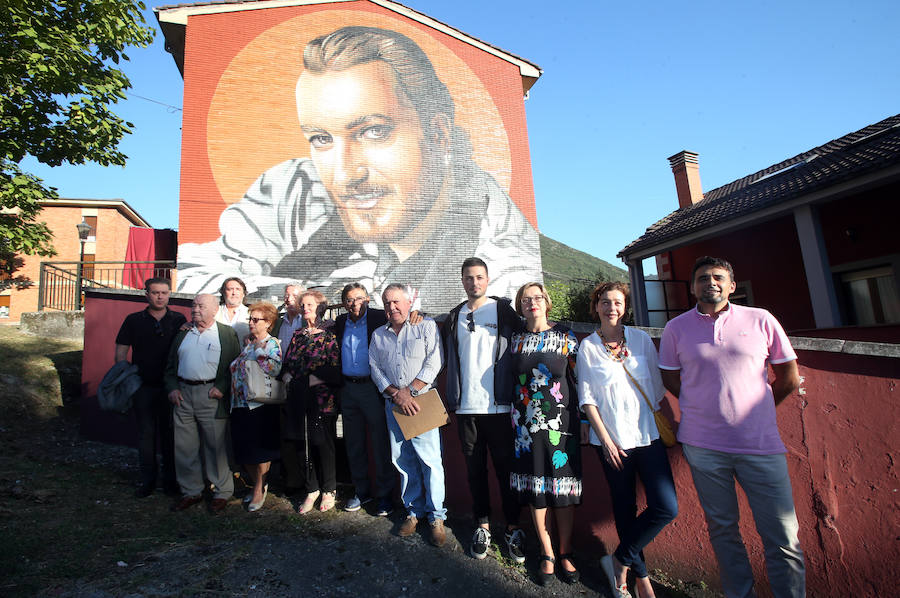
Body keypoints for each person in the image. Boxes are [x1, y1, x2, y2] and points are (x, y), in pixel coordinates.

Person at [175, 26, 541, 312]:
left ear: (439, 134)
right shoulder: (298, 188)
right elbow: (201, 280)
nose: (346, 174)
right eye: (321, 138)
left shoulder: (499, 251)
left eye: (374, 132)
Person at [659, 256, 804, 598]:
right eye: (703, 278)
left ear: (732, 285)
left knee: (783, 536)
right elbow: (670, 377)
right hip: (703, 447)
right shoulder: (676, 328)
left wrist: (758, 411)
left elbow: (788, 378)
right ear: (693, 287)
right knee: (723, 531)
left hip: (760, 445)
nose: (711, 282)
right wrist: (702, 406)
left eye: (718, 277)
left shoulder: (761, 320)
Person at [577, 282, 677, 598]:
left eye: (617, 302)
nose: (611, 308)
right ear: (596, 307)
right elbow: (588, 399)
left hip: (647, 436)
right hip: (611, 441)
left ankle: (619, 560)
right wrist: (605, 441)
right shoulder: (588, 348)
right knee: (624, 508)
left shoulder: (643, 340)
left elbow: (658, 390)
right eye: (605, 302)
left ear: (625, 307)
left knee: (666, 507)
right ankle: (639, 577)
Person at [442, 258, 525, 562]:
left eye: (479, 277)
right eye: (468, 278)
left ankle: (514, 528)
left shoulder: (502, 310)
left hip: (500, 407)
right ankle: (484, 526)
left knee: (506, 473)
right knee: (475, 473)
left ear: (487, 280)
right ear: (462, 281)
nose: (474, 283)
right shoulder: (453, 317)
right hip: (466, 409)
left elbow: (528, 333)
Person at [509, 282, 582, 585]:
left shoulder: (566, 337)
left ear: (547, 302)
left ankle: (566, 553)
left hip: (561, 429)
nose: (532, 303)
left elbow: (581, 379)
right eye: (526, 299)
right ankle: (547, 552)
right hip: (525, 429)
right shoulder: (514, 340)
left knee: (561, 492)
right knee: (537, 491)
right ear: (520, 306)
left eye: (537, 297)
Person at [369, 284, 445, 546]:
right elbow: (375, 368)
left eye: (397, 302)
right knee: (403, 460)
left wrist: (409, 391)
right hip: (394, 406)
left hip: (422, 403)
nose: (392, 307)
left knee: (430, 461)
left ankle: (436, 517)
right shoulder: (378, 335)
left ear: (409, 302)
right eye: (387, 303)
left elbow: (435, 361)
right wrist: (396, 394)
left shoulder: (425, 326)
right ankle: (414, 511)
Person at [164, 293, 241, 513]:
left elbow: (234, 365)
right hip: (183, 394)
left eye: (201, 306)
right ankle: (191, 491)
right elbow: (170, 365)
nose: (195, 309)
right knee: (184, 446)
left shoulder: (225, 334)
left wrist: (222, 387)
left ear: (215, 309)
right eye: (194, 305)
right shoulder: (183, 332)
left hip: (211, 395)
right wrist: (172, 388)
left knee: (215, 445)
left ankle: (222, 492)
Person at [114, 277, 187, 497]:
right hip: (143, 386)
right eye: (155, 293)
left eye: (164, 293)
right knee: (146, 435)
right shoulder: (133, 320)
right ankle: (147, 481)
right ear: (147, 294)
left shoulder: (178, 320)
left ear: (169, 294)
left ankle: (170, 481)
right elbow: (121, 351)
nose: (160, 296)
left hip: (169, 387)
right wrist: (126, 378)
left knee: (170, 435)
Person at [334, 283, 395, 517]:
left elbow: (404, 317)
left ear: (368, 299)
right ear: (343, 303)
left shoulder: (379, 317)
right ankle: (361, 490)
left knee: (380, 444)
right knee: (354, 443)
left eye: (359, 298)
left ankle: (384, 495)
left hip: (372, 388)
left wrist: (418, 315)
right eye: (349, 299)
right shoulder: (340, 323)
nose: (354, 303)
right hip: (348, 388)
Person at [281, 290, 342, 514]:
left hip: (321, 399)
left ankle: (329, 488)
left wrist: (309, 382)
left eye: (309, 304)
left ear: (320, 307)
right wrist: (287, 376)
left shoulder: (330, 334)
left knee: (321, 442)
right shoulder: (298, 335)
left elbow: (334, 368)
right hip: (298, 399)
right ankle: (312, 488)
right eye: (303, 305)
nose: (305, 308)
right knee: (301, 442)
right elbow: (287, 363)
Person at [229, 301, 282, 512]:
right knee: (244, 448)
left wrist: (260, 352)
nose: (251, 323)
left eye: (255, 319)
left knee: (260, 450)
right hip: (240, 403)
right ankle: (256, 483)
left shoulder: (271, 344)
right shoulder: (249, 344)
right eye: (250, 319)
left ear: (268, 323)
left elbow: (275, 369)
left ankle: (259, 488)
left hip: (259, 404)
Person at [270, 282, 307, 494]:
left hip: (302, 382)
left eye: (292, 296)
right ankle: (291, 479)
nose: (287, 299)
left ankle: (306, 479)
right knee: (285, 431)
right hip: (281, 380)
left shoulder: (307, 321)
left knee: (301, 432)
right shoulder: (279, 322)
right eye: (286, 295)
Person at [215, 277, 250, 342]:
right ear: (223, 293)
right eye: (230, 289)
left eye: (238, 289)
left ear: (243, 293)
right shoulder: (214, 312)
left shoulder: (250, 314)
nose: (234, 293)